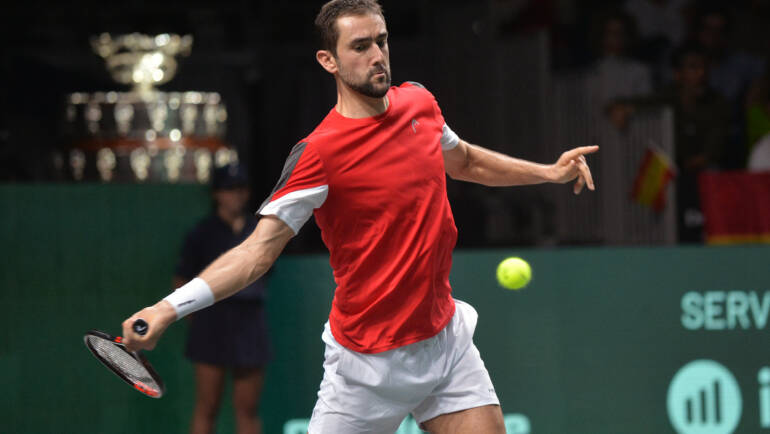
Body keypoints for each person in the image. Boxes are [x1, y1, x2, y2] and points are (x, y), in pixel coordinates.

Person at [121, 1, 598, 432]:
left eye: (382, 41)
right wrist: (166, 309)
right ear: (329, 61)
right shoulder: (318, 153)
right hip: (366, 367)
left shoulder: (420, 104)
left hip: (443, 343)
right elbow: (255, 254)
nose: (377, 56)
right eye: (360, 46)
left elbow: (467, 161)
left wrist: (549, 172)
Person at [175, 163, 270, 434]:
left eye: (241, 189)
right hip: (211, 324)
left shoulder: (259, 231)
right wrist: (198, 319)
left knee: (248, 408)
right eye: (229, 189)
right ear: (216, 194)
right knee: (207, 406)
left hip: (250, 325)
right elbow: (181, 280)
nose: (236, 195)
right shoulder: (200, 234)